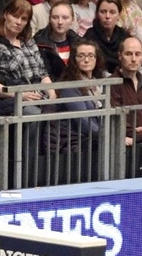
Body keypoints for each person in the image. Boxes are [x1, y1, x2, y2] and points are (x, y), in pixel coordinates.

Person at [0, 0, 55, 188]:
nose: (18, 22)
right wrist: (20, 95)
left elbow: (42, 73)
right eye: (15, 16)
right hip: (4, 99)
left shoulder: (28, 42)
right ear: (5, 15)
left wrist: (52, 95)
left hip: (34, 95)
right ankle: (27, 175)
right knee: (33, 115)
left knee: (58, 110)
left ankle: (50, 175)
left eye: (24, 19)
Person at [45, 39, 104, 184]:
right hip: (75, 141)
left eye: (91, 56)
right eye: (81, 56)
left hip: (92, 137)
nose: (86, 60)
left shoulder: (99, 83)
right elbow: (85, 122)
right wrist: (111, 136)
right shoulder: (70, 86)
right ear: (74, 59)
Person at [110, 36, 142, 176]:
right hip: (127, 144)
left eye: (138, 54)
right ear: (120, 56)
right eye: (129, 54)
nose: (134, 59)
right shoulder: (112, 83)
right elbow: (115, 118)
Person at [34, 0, 80, 80]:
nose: (60, 22)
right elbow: (45, 76)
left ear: (72, 20)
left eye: (65, 18)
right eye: (55, 17)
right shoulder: (39, 43)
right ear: (49, 19)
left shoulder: (79, 43)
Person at [84, 0, 129, 73]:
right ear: (97, 14)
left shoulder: (125, 37)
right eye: (103, 12)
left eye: (112, 12)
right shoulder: (89, 37)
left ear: (119, 15)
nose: (107, 16)